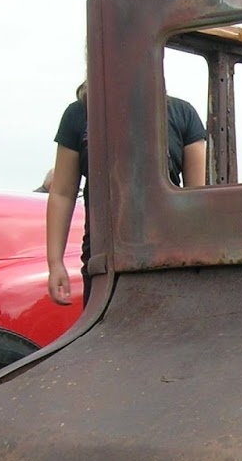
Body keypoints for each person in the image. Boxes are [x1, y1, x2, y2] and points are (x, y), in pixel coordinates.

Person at [45, 84, 208, 308]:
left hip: (170, 256)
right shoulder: (79, 114)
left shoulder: (183, 114)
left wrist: (198, 260)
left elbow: (196, 197)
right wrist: (55, 263)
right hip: (104, 258)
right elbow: (62, 193)